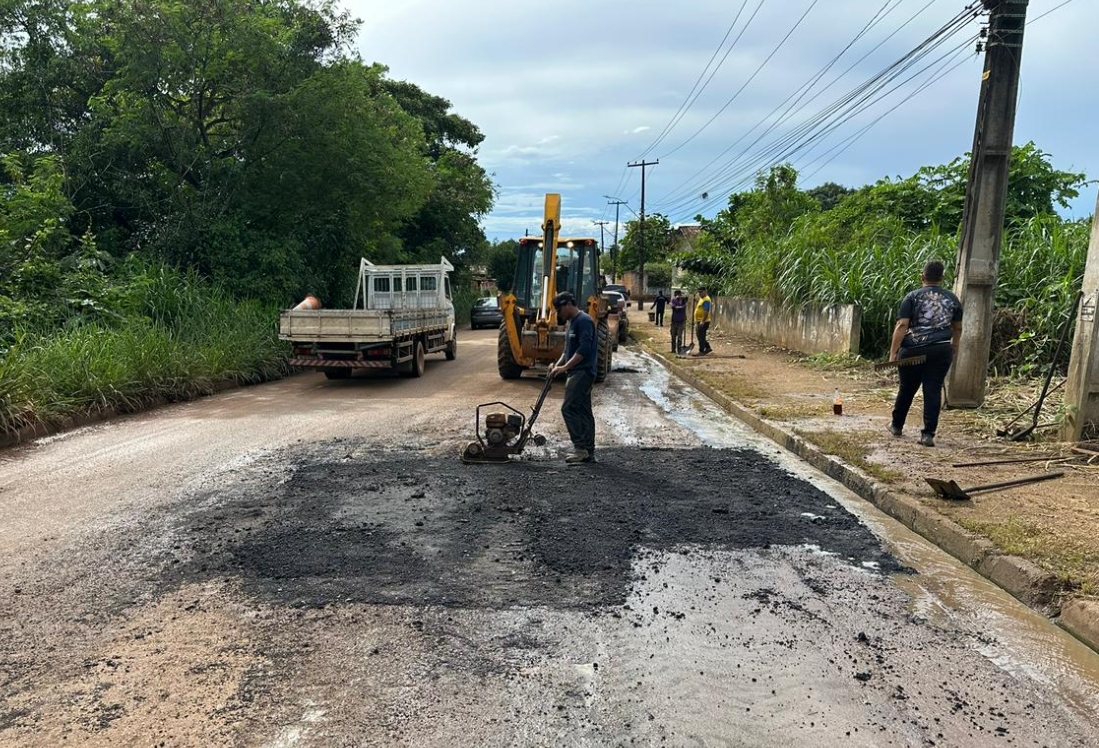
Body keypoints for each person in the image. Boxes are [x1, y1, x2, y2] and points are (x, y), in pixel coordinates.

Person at [889, 260, 963, 448]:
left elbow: (902, 325)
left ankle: (897, 426)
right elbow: (957, 327)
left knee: (907, 388)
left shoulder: (912, 297)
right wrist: (954, 345)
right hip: (940, 349)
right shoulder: (952, 299)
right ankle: (928, 434)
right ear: (942, 278)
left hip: (913, 349)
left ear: (922, 276)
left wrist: (893, 352)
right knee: (932, 390)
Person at [549, 291, 597, 464]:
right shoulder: (571, 322)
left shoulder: (584, 321)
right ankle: (588, 451)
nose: (559, 314)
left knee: (568, 408)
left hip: (582, 372)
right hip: (576, 371)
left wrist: (565, 368)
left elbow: (583, 350)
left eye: (560, 309)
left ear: (568, 304)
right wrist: (557, 365)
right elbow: (567, 350)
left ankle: (580, 448)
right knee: (583, 411)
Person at [694, 287, 713, 356]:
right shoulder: (702, 299)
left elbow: (706, 311)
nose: (700, 293)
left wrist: (702, 321)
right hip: (699, 320)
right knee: (699, 335)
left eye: (701, 292)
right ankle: (707, 347)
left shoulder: (706, 300)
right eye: (699, 292)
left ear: (705, 291)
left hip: (704, 321)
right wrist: (696, 301)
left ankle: (701, 351)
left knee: (701, 336)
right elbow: (700, 307)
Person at [669, 289, 688, 354]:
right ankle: (673, 349)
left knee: (679, 336)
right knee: (673, 336)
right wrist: (681, 306)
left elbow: (686, 299)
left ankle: (679, 350)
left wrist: (681, 299)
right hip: (674, 321)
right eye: (676, 295)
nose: (677, 296)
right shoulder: (673, 300)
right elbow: (673, 306)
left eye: (679, 295)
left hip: (681, 321)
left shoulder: (683, 300)